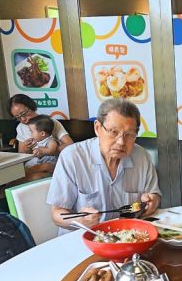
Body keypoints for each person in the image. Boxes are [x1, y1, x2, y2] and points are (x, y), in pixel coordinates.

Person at [47, 99, 161, 234]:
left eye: (129, 135)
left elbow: (154, 195)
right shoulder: (72, 157)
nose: (121, 142)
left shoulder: (141, 156)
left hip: (128, 236)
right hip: (83, 237)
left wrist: (152, 201)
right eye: (114, 132)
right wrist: (78, 220)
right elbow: (57, 214)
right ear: (97, 128)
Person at [7, 94, 73, 180]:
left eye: (24, 113)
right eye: (18, 117)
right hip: (34, 163)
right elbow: (22, 154)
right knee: (27, 175)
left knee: (38, 173)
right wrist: (28, 148)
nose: (23, 119)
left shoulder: (48, 122)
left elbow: (70, 144)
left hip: (51, 162)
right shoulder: (21, 127)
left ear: (31, 106)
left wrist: (47, 151)